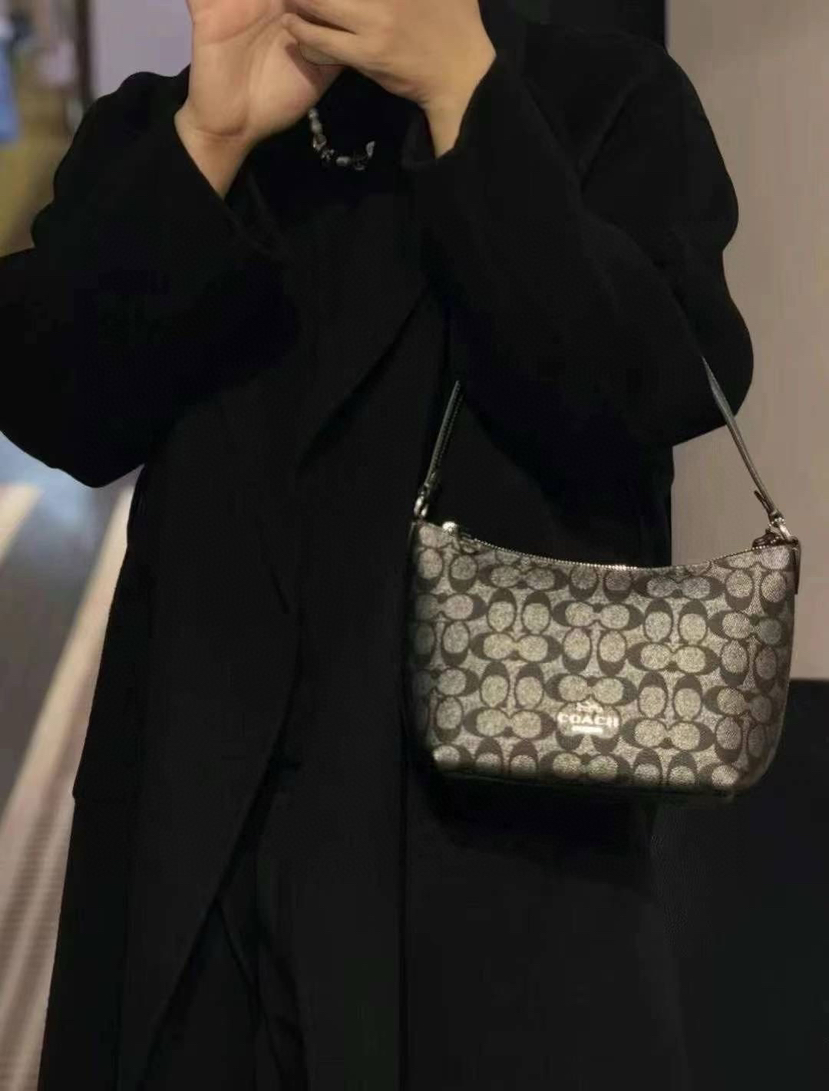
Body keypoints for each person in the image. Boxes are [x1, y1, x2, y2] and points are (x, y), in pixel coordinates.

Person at [0, 0, 754, 1088]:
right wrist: (210, 138)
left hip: (493, 858)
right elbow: (62, 405)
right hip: (200, 847)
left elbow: (649, 388)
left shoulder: (600, 98)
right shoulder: (166, 128)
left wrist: (463, 97)